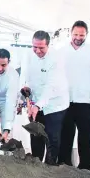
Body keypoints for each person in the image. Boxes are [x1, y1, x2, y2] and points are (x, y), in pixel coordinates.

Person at [58, 21, 90, 170]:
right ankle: (65, 165)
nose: (78, 37)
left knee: (85, 137)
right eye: (76, 34)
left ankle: (85, 167)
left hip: (87, 101)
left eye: (82, 35)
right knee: (65, 136)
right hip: (66, 100)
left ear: (87, 35)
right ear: (70, 33)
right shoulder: (61, 51)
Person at [21, 30, 69, 165]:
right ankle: (37, 167)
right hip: (35, 102)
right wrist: (25, 89)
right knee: (36, 134)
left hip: (55, 104)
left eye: (41, 48)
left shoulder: (56, 58)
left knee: (52, 137)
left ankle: (51, 168)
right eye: (34, 47)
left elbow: (51, 86)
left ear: (48, 45)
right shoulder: (28, 55)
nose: (37, 50)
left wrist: (38, 105)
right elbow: (24, 76)